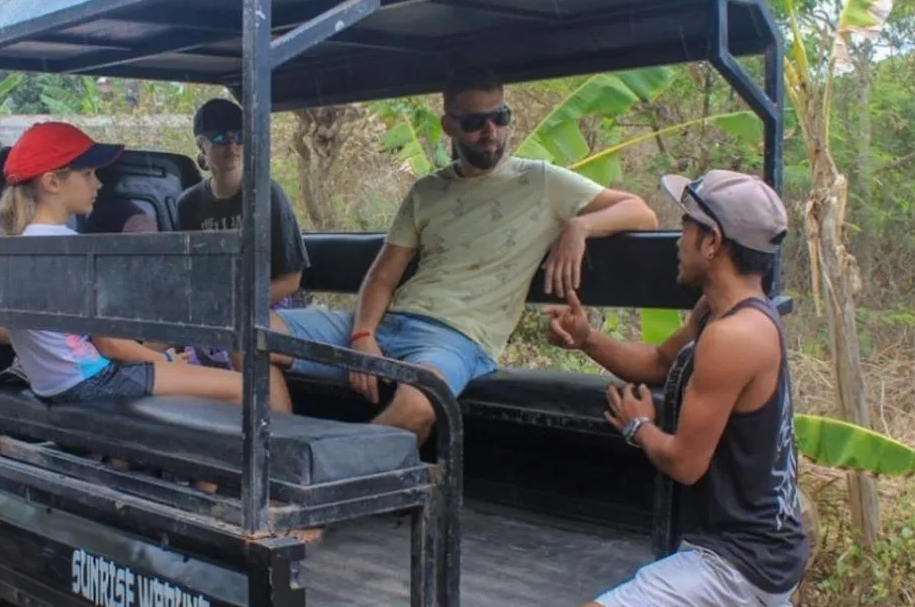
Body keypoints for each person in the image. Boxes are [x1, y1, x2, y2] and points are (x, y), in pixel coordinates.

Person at [552, 170, 811, 607]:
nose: (677, 240)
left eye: (687, 228)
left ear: (714, 243)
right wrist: (588, 338)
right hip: (768, 557)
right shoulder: (723, 314)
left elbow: (687, 462)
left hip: (734, 561)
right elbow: (658, 364)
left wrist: (640, 429)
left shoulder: (735, 338)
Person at [272, 68, 658, 442]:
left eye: (500, 117)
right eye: (475, 121)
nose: (491, 132)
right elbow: (384, 276)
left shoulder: (541, 181)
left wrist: (579, 227)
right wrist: (362, 334)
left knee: (418, 406)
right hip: (391, 323)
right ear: (450, 126)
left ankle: (327, 477)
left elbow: (641, 212)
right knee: (255, 334)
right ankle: (276, 454)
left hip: (457, 339)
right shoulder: (427, 191)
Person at [0, 120, 293, 412]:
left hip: (54, 383)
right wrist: (164, 361)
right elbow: (110, 345)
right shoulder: (71, 249)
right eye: (87, 174)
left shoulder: (13, 248)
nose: (97, 183)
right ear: (51, 182)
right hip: (94, 380)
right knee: (242, 388)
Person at [176, 97, 310, 369]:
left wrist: (236, 307)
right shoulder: (188, 204)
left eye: (240, 136)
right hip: (214, 309)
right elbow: (189, 276)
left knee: (241, 347)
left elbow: (290, 280)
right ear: (202, 143)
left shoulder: (267, 195)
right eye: (221, 138)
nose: (233, 146)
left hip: (267, 305)